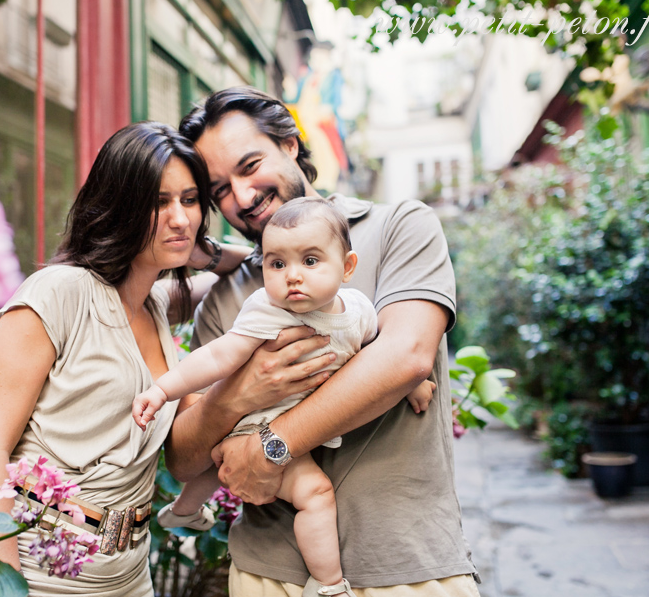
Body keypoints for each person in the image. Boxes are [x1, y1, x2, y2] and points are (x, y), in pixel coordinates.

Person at [165, 87, 481, 597]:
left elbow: (404, 357)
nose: (242, 197)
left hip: (411, 569)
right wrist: (242, 393)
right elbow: (184, 458)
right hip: (267, 576)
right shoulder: (230, 296)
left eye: (250, 166)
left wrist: (271, 447)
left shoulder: (399, 226)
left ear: (290, 143)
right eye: (221, 189)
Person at [0, 121, 249, 596]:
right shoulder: (58, 293)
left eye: (191, 199)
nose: (180, 217)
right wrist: (2, 588)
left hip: (129, 574)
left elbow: (250, 262)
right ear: (120, 205)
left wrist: (198, 247)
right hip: (38, 568)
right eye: (159, 202)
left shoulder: (155, 307)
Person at [134, 198, 436, 597]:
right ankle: (329, 584)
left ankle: (185, 511)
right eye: (277, 264)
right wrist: (162, 389)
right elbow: (217, 356)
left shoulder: (359, 310)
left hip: (285, 428)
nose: (292, 276)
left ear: (347, 267)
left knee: (216, 461)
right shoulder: (266, 312)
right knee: (315, 494)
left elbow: (379, 351)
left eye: (310, 261)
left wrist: (412, 382)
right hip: (253, 426)